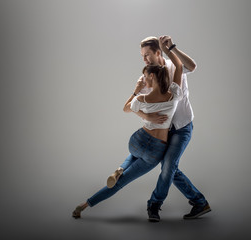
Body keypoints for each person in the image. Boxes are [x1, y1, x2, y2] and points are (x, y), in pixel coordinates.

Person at [72, 37, 183, 219]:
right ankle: (86, 203)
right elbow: (178, 67)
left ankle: (115, 173)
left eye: (145, 77)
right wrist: (168, 49)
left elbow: (126, 108)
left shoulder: (141, 99)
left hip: (137, 141)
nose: (143, 81)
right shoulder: (174, 96)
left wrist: (137, 93)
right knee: (124, 178)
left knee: (130, 161)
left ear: (152, 76)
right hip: (156, 149)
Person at [136, 36, 211, 222]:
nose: (144, 60)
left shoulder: (174, 66)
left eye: (147, 55)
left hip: (183, 127)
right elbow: (136, 105)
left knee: (168, 166)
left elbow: (192, 66)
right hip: (163, 131)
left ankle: (154, 204)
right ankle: (199, 202)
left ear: (158, 52)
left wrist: (172, 48)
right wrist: (146, 115)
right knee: (171, 167)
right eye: (142, 56)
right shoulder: (148, 76)